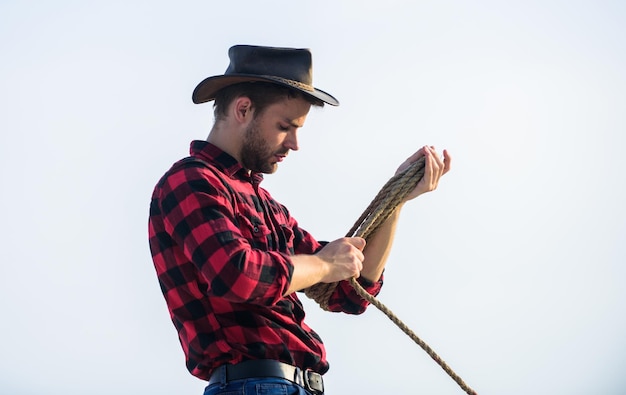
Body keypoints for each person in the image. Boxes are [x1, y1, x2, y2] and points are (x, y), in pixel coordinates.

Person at [148, 44, 451, 395]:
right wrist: (323, 265)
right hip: (253, 385)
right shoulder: (190, 182)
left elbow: (349, 293)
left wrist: (396, 203)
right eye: (285, 126)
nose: (294, 143)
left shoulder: (269, 207)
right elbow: (237, 275)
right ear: (243, 109)